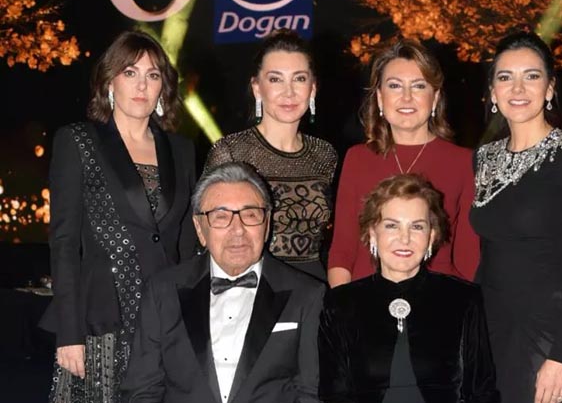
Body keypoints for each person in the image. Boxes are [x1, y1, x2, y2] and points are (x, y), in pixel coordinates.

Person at [39, 30, 197, 402]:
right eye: (130, 72)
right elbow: (64, 243)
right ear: (110, 81)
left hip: (165, 318)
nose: (142, 85)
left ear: (163, 88)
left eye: (152, 75)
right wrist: (69, 333)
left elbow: (186, 244)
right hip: (100, 320)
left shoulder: (182, 150)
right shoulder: (78, 141)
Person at [470, 31, 562, 403]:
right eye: (505, 77)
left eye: (531, 76)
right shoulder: (483, 157)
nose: (518, 88)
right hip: (490, 328)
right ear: (493, 92)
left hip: (546, 335)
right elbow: (488, 256)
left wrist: (560, 355)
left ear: (549, 88)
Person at [121, 162, 325, 403]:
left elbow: (311, 393)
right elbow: (142, 390)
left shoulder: (307, 295)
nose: (238, 230)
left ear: (267, 223)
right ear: (200, 229)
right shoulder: (162, 291)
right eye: (221, 217)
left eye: (250, 215)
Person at [319, 174, 499, 403]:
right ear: (373, 233)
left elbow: (482, 392)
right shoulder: (341, 303)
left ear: (431, 236)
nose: (404, 239)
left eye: (417, 227)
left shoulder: (463, 299)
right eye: (391, 226)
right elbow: (333, 396)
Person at [327, 39, 479, 287]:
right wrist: (342, 304)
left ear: (435, 98)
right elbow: (342, 251)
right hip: (365, 300)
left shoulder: (464, 162)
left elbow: (468, 260)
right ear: (380, 98)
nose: (406, 97)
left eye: (418, 86)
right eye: (395, 86)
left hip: (437, 300)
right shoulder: (357, 159)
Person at [205, 29, 337, 281]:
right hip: (252, 285)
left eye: (299, 79)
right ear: (257, 88)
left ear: (312, 89)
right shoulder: (231, 152)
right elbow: (208, 231)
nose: (289, 92)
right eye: (276, 79)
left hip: (314, 287)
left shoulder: (325, 155)